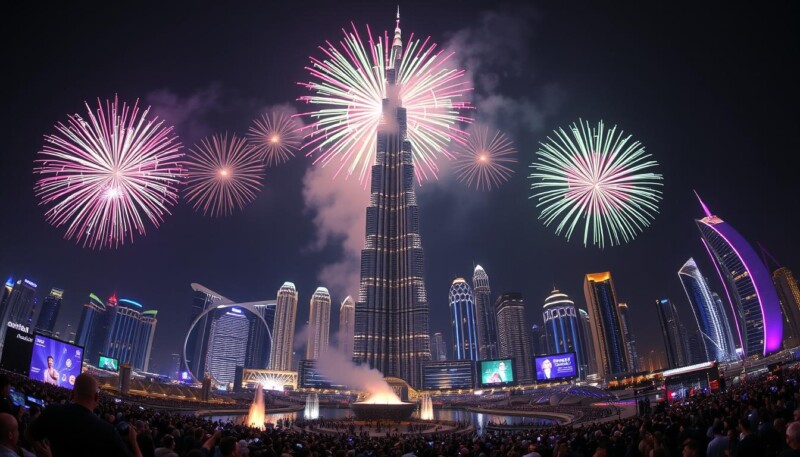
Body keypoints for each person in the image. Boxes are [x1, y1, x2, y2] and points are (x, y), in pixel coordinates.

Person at [26, 372, 142, 457]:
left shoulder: (52, 411)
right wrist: (134, 442)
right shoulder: (108, 431)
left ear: (72, 394)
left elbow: (29, 435)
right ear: (96, 398)